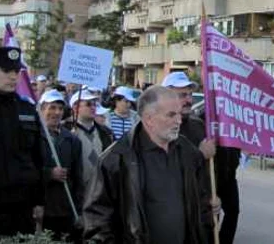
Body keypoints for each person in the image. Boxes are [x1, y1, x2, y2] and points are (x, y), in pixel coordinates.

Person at [83, 86, 217, 243]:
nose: (179, 120)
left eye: (179, 114)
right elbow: (96, 221)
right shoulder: (116, 159)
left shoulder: (188, 152)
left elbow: (202, 203)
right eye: (171, 115)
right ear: (149, 119)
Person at [162, 71, 241, 244]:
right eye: (182, 95)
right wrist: (199, 155)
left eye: (190, 95)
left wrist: (213, 195)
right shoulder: (158, 127)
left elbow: (208, 168)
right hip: (173, 212)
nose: (189, 100)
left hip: (202, 210)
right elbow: (162, 167)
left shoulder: (199, 125)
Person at [0, 47, 46, 236]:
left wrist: (39, 200)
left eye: (16, 71)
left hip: (21, 212)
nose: (14, 77)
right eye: (6, 71)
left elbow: (37, 158)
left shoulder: (27, 109)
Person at [39, 90, 84, 242]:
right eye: (52, 107)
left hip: (65, 209)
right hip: (41, 210)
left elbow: (78, 177)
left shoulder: (72, 140)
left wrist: (79, 210)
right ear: (42, 109)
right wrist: (48, 174)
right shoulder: (32, 136)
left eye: (60, 108)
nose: (56, 112)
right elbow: (24, 171)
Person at [69, 88, 114, 187]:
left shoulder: (105, 132)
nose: (93, 107)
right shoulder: (66, 131)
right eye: (89, 104)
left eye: (95, 104)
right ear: (76, 108)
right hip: (77, 187)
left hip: (100, 188)